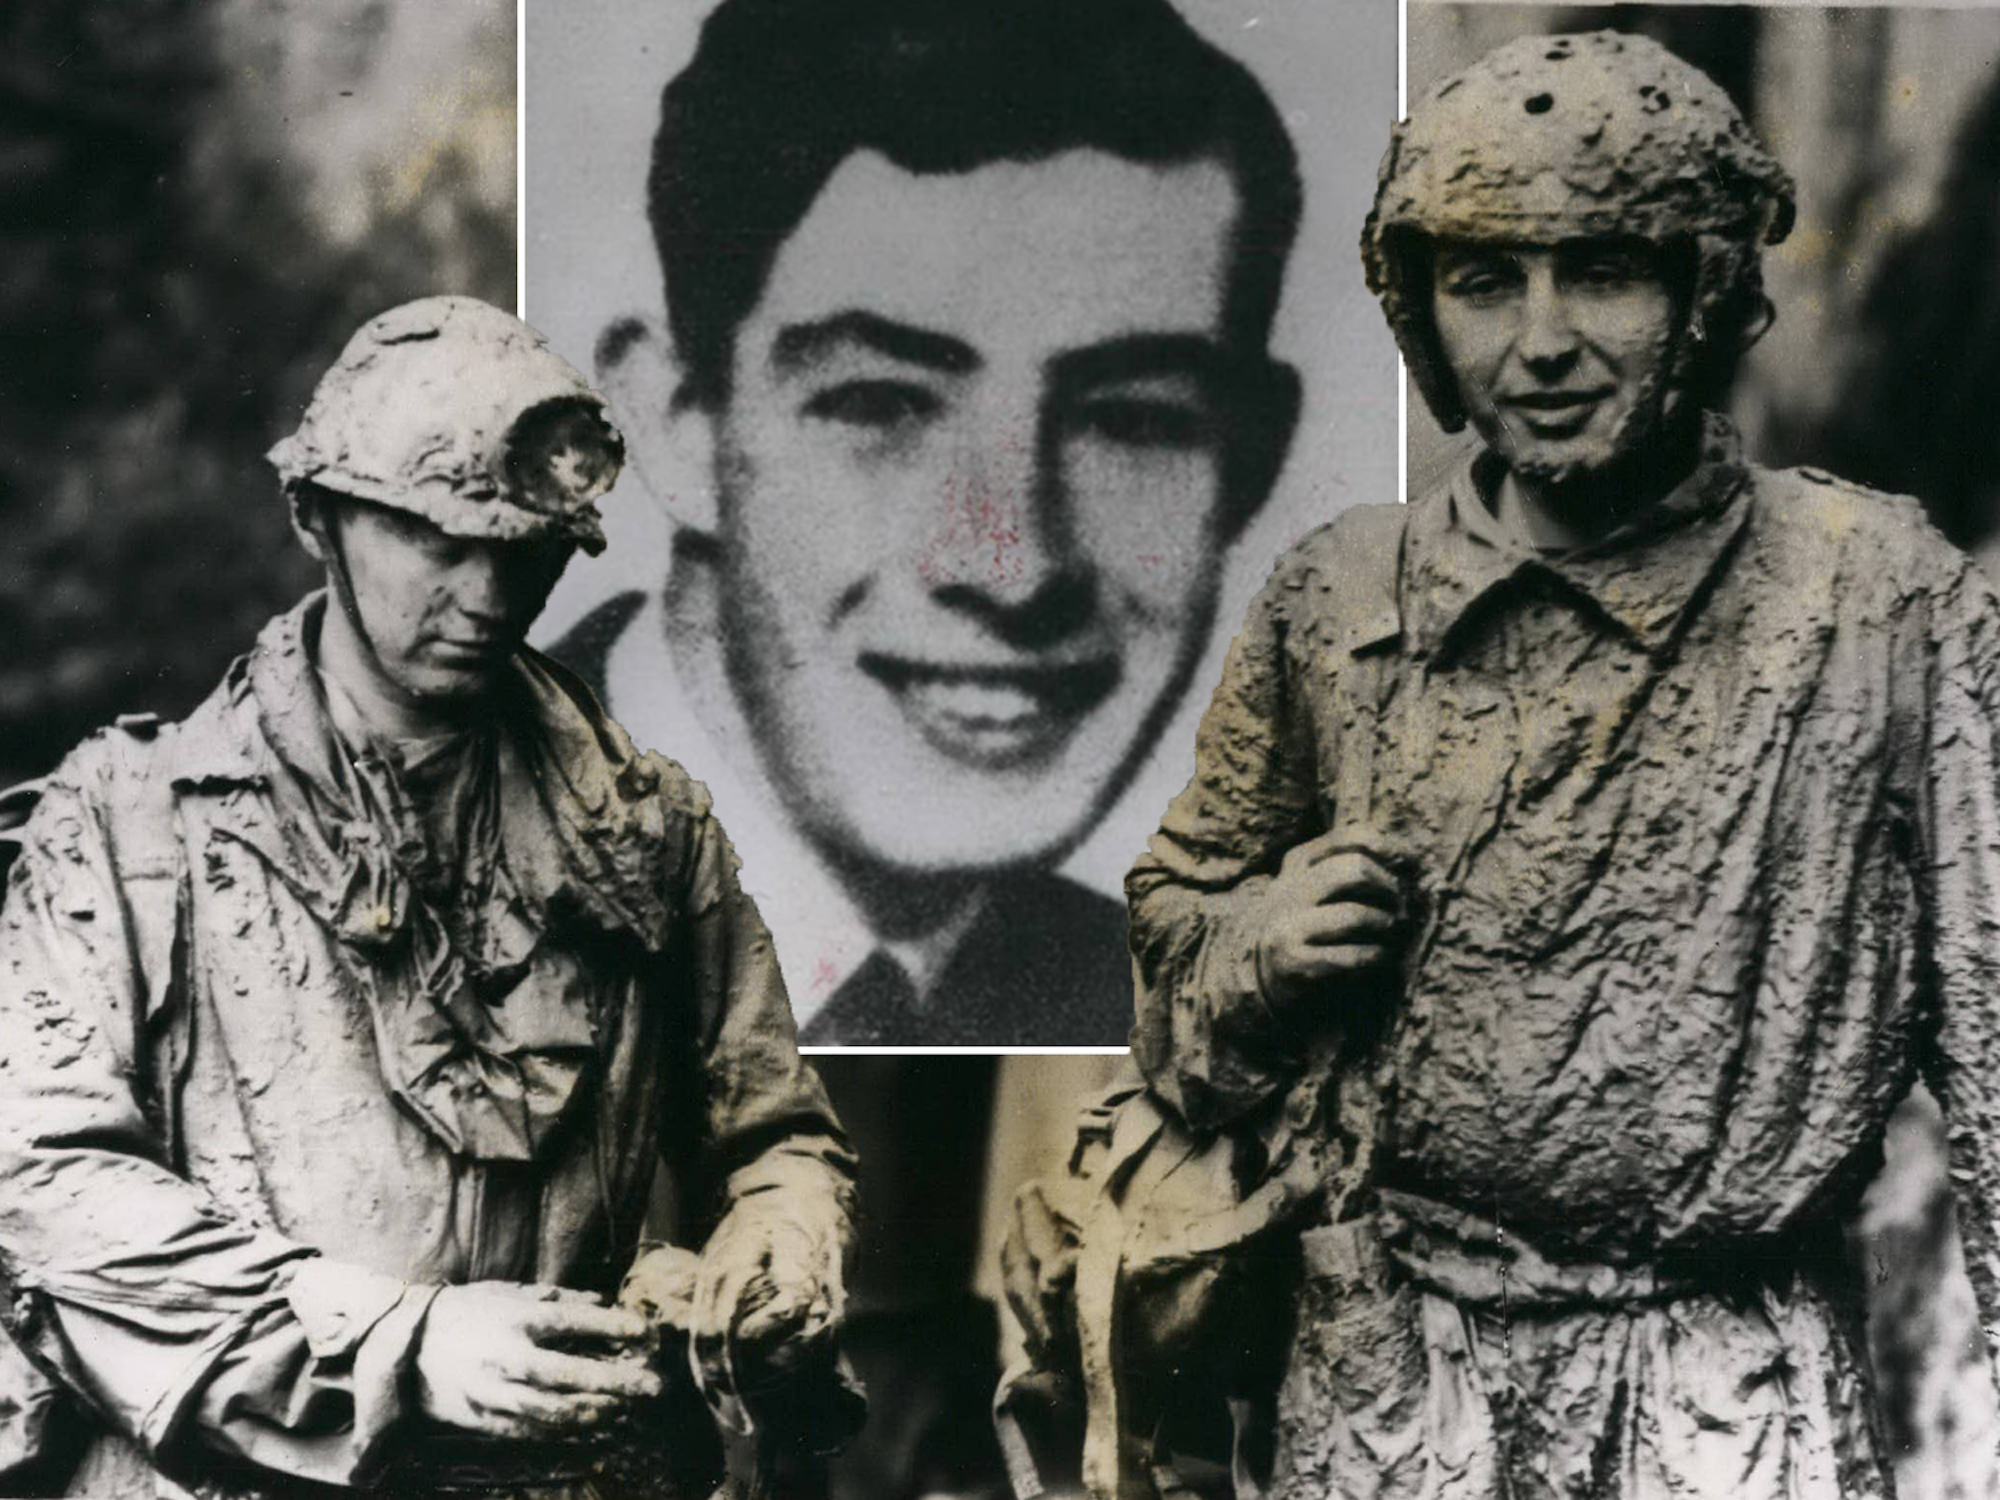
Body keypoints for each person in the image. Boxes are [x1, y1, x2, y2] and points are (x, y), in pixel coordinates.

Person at [1116, 30, 2000, 1496]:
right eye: (1482, 282)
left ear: (1706, 290)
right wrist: (1252, 954)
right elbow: (1173, 986)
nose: (1539, 341)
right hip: (1399, 1390)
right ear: (1420, 312)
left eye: (1603, 271)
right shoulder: (1339, 601)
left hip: (1732, 1395)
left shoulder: (1877, 600)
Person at [0, 296, 858, 1500]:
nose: (488, 597)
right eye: (438, 543)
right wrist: (403, 1345)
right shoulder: (127, 824)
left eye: (525, 553)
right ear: (317, 517)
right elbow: (41, 1184)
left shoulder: (649, 829)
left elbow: (774, 1135)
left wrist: (780, 1241)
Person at [551, 0, 1305, 1045]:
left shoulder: (1162, 1006)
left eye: (1133, 419)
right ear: (676, 429)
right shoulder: (391, 869)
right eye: (880, 404)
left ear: (1250, 464)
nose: (1012, 566)